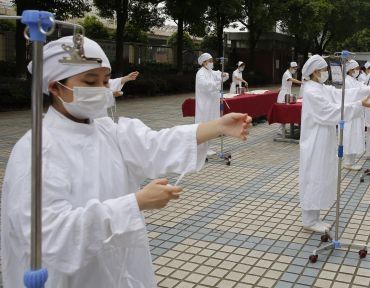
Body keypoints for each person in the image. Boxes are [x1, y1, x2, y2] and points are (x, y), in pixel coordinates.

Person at [1, 36, 252, 288]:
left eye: (104, 81)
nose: (101, 89)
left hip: (116, 269)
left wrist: (217, 126)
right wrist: (135, 203)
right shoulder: (37, 151)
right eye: (90, 82)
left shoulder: (106, 130)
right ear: (55, 87)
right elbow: (50, 235)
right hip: (68, 278)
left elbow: (154, 145)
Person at [299, 55, 370, 233]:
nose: (326, 73)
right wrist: (359, 105)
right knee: (314, 177)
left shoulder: (319, 87)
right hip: (315, 141)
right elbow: (329, 112)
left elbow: (341, 95)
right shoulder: (311, 91)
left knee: (321, 176)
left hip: (324, 137)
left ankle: (314, 217)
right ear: (315, 72)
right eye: (323, 70)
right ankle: (309, 220)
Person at [195, 53, 230, 154]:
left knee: (211, 124)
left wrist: (224, 75)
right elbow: (205, 85)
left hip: (212, 104)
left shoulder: (210, 72)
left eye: (212, 61)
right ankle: (202, 148)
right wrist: (218, 83)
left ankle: (207, 147)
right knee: (204, 124)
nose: (212, 63)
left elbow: (218, 75)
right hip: (205, 104)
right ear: (204, 62)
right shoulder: (200, 73)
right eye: (210, 61)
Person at [342, 60, 367, 171]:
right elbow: (351, 96)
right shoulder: (347, 81)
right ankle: (348, 162)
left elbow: (362, 88)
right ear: (351, 70)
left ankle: (351, 161)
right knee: (350, 137)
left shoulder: (353, 80)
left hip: (356, 113)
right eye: (356, 68)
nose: (358, 71)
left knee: (355, 137)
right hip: (350, 113)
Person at [276, 62, 302, 136]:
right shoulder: (287, 74)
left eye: (296, 69)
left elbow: (285, 83)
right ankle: (280, 130)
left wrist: (280, 88)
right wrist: (302, 82)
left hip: (286, 94)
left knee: (285, 112)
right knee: (282, 113)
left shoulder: (289, 73)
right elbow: (292, 80)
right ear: (290, 67)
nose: (295, 70)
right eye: (294, 68)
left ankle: (282, 129)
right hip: (283, 96)